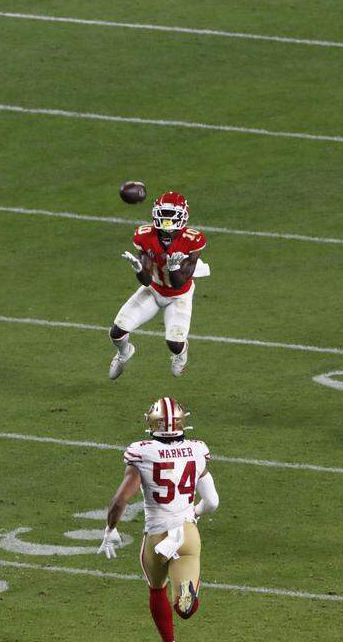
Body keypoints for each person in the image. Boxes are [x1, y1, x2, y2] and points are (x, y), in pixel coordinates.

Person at [98, 397, 219, 641]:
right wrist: (193, 514)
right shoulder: (197, 450)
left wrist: (110, 529)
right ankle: (186, 594)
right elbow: (213, 501)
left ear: (152, 424)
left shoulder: (142, 451)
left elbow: (119, 501)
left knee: (156, 590)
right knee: (185, 608)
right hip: (186, 534)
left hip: (156, 536)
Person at [109, 192, 207, 379]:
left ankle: (181, 354)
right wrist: (139, 269)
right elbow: (146, 281)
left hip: (179, 295)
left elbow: (178, 284)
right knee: (116, 332)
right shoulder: (144, 235)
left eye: (171, 214)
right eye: (164, 213)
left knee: (174, 343)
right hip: (153, 289)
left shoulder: (193, 240)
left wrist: (173, 267)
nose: (167, 219)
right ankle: (124, 353)